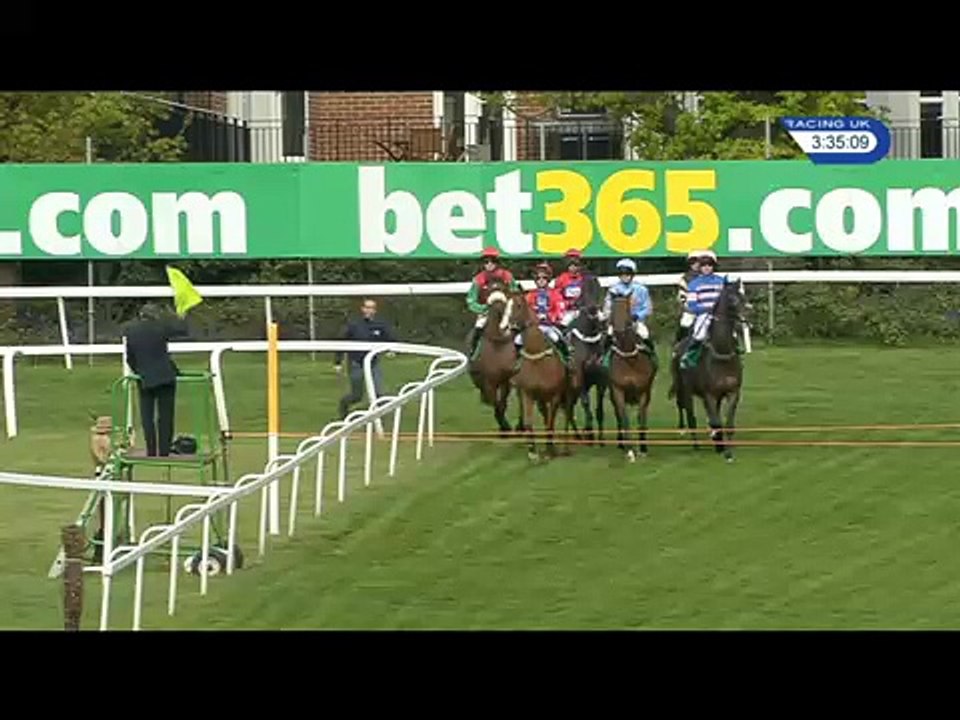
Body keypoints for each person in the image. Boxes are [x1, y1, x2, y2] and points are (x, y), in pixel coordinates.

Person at [123, 302, 191, 457]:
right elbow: (182, 330)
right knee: (165, 416)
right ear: (154, 315)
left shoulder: (131, 331)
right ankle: (164, 450)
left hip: (144, 378)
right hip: (165, 376)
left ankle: (151, 450)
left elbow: (130, 358)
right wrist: (181, 316)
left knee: (147, 417)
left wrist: (139, 372)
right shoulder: (160, 326)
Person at [334, 297, 397, 419]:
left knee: (379, 393)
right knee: (356, 395)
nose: (369, 310)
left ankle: (378, 420)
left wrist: (391, 350)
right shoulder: (353, 325)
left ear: (375, 311)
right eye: (367, 307)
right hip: (356, 363)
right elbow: (342, 342)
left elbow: (391, 339)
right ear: (362, 309)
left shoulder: (380, 325)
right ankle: (344, 407)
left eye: (372, 308)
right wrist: (338, 361)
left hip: (373, 363)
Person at [465, 247, 520, 356]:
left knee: (519, 329)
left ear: (497, 262)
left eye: (492, 261)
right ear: (483, 263)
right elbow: (471, 300)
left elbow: (516, 294)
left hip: (506, 312)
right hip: (486, 311)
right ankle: (473, 353)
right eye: (486, 262)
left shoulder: (507, 276)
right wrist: (483, 308)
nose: (489, 264)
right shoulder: (478, 279)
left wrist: (511, 308)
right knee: (478, 327)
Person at [679, 250, 727, 370]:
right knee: (699, 335)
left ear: (713, 267)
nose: (706, 268)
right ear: (700, 267)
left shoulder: (721, 282)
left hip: (720, 315)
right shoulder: (694, 284)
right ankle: (690, 356)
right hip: (703, 314)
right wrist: (705, 309)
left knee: (731, 333)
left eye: (709, 265)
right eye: (704, 265)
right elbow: (692, 304)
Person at [520, 262, 572, 367]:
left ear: (548, 280)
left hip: (549, 325)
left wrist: (549, 316)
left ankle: (566, 360)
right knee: (517, 340)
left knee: (556, 338)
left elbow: (560, 310)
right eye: (538, 278)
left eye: (544, 278)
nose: (541, 280)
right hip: (532, 326)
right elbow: (524, 311)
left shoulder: (555, 294)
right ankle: (515, 364)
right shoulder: (530, 295)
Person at [600, 258, 655, 356]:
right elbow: (607, 307)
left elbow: (647, 307)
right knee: (608, 334)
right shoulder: (613, 289)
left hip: (635, 321)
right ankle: (602, 358)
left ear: (632, 275)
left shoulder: (641, 289)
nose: (624, 277)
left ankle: (652, 357)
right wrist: (609, 318)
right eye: (622, 274)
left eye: (627, 274)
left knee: (645, 334)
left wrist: (637, 316)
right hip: (617, 322)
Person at [554, 248, 603, 333]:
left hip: (584, 309)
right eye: (570, 266)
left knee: (602, 318)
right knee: (562, 325)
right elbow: (557, 297)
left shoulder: (586, 277)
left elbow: (593, 294)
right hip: (569, 310)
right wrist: (567, 304)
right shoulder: (561, 279)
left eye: (575, 265)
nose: (572, 268)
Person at [675, 250, 703, 343]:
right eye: (693, 262)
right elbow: (682, 297)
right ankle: (678, 346)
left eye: (698, 262)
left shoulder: (708, 277)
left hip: (707, 310)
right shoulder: (684, 279)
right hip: (690, 310)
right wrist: (690, 308)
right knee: (685, 323)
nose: (696, 265)